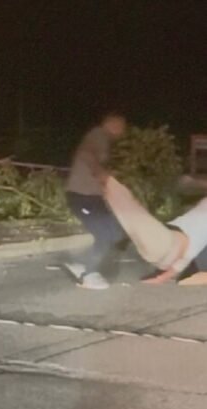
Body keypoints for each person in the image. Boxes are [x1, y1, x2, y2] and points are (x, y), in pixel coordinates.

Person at [63, 112, 128, 289]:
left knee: (115, 232)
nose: (123, 131)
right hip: (82, 196)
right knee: (106, 235)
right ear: (112, 124)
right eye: (122, 127)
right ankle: (88, 275)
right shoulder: (98, 135)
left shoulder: (102, 139)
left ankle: (82, 264)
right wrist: (99, 172)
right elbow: (86, 153)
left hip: (93, 197)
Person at [103, 176, 207, 286]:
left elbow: (194, 247)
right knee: (126, 209)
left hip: (172, 247)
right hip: (166, 240)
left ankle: (105, 178)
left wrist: (164, 277)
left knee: (128, 209)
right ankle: (106, 179)